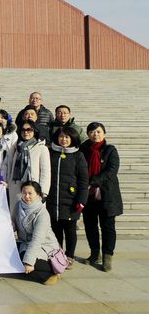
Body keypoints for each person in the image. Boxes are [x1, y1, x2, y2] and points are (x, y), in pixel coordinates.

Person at [80, 122, 122, 272]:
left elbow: (112, 170)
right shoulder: (83, 149)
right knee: (90, 226)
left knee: (108, 227)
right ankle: (94, 254)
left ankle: (107, 257)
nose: (95, 134)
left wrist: (93, 181)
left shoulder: (110, 150)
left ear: (104, 133)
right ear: (88, 134)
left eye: (98, 132)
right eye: (92, 132)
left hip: (107, 195)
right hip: (88, 195)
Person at [47, 126, 89, 267]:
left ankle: (69, 255)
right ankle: (58, 255)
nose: (63, 140)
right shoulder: (51, 152)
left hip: (71, 200)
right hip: (53, 199)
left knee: (70, 230)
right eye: (61, 137)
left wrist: (82, 200)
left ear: (72, 139)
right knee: (55, 230)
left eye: (67, 137)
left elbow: (83, 180)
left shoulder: (78, 155)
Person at [13, 180, 62, 285]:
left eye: (30, 193)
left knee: (24, 261)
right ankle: (27, 269)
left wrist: (29, 262)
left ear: (38, 194)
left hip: (44, 247)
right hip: (25, 243)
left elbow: (37, 240)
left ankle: (50, 273)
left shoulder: (42, 213)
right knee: (10, 256)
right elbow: (13, 224)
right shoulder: (18, 205)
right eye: (24, 193)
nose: (26, 196)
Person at [6, 120, 51, 215]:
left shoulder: (41, 148)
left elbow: (45, 172)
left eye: (29, 130)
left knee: (34, 218)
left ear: (35, 131)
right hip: (16, 188)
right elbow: (9, 166)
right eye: (23, 130)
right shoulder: (15, 147)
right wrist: (9, 183)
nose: (26, 132)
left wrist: (43, 192)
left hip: (34, 189)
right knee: (17, 217)